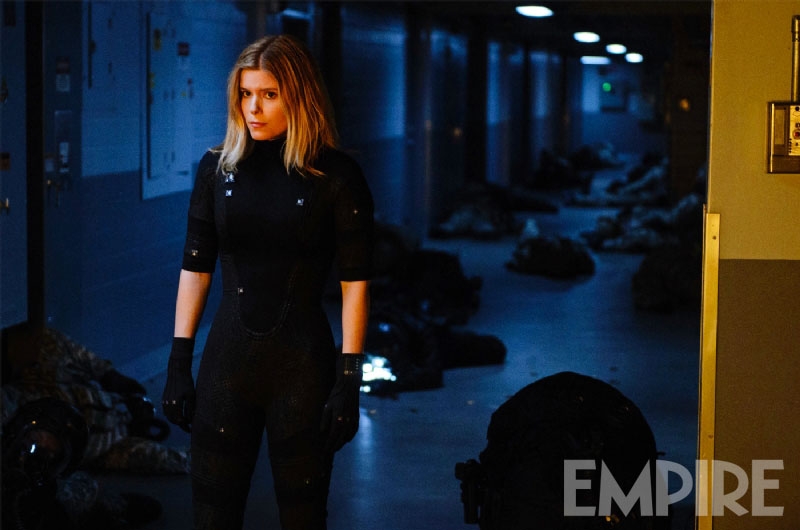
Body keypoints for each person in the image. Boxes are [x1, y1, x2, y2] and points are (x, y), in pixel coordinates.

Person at [160, 34, 374, 530]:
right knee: (212, 518)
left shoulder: (336, 176)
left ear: (299, 97)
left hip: (302, 368)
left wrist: (349, 380)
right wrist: (178, 362)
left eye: (269, 95)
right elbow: (195, 270)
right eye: (245, 94)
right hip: (226, 366)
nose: (253, 108)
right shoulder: (217, 169)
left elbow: (355, 285)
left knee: (303, 518)